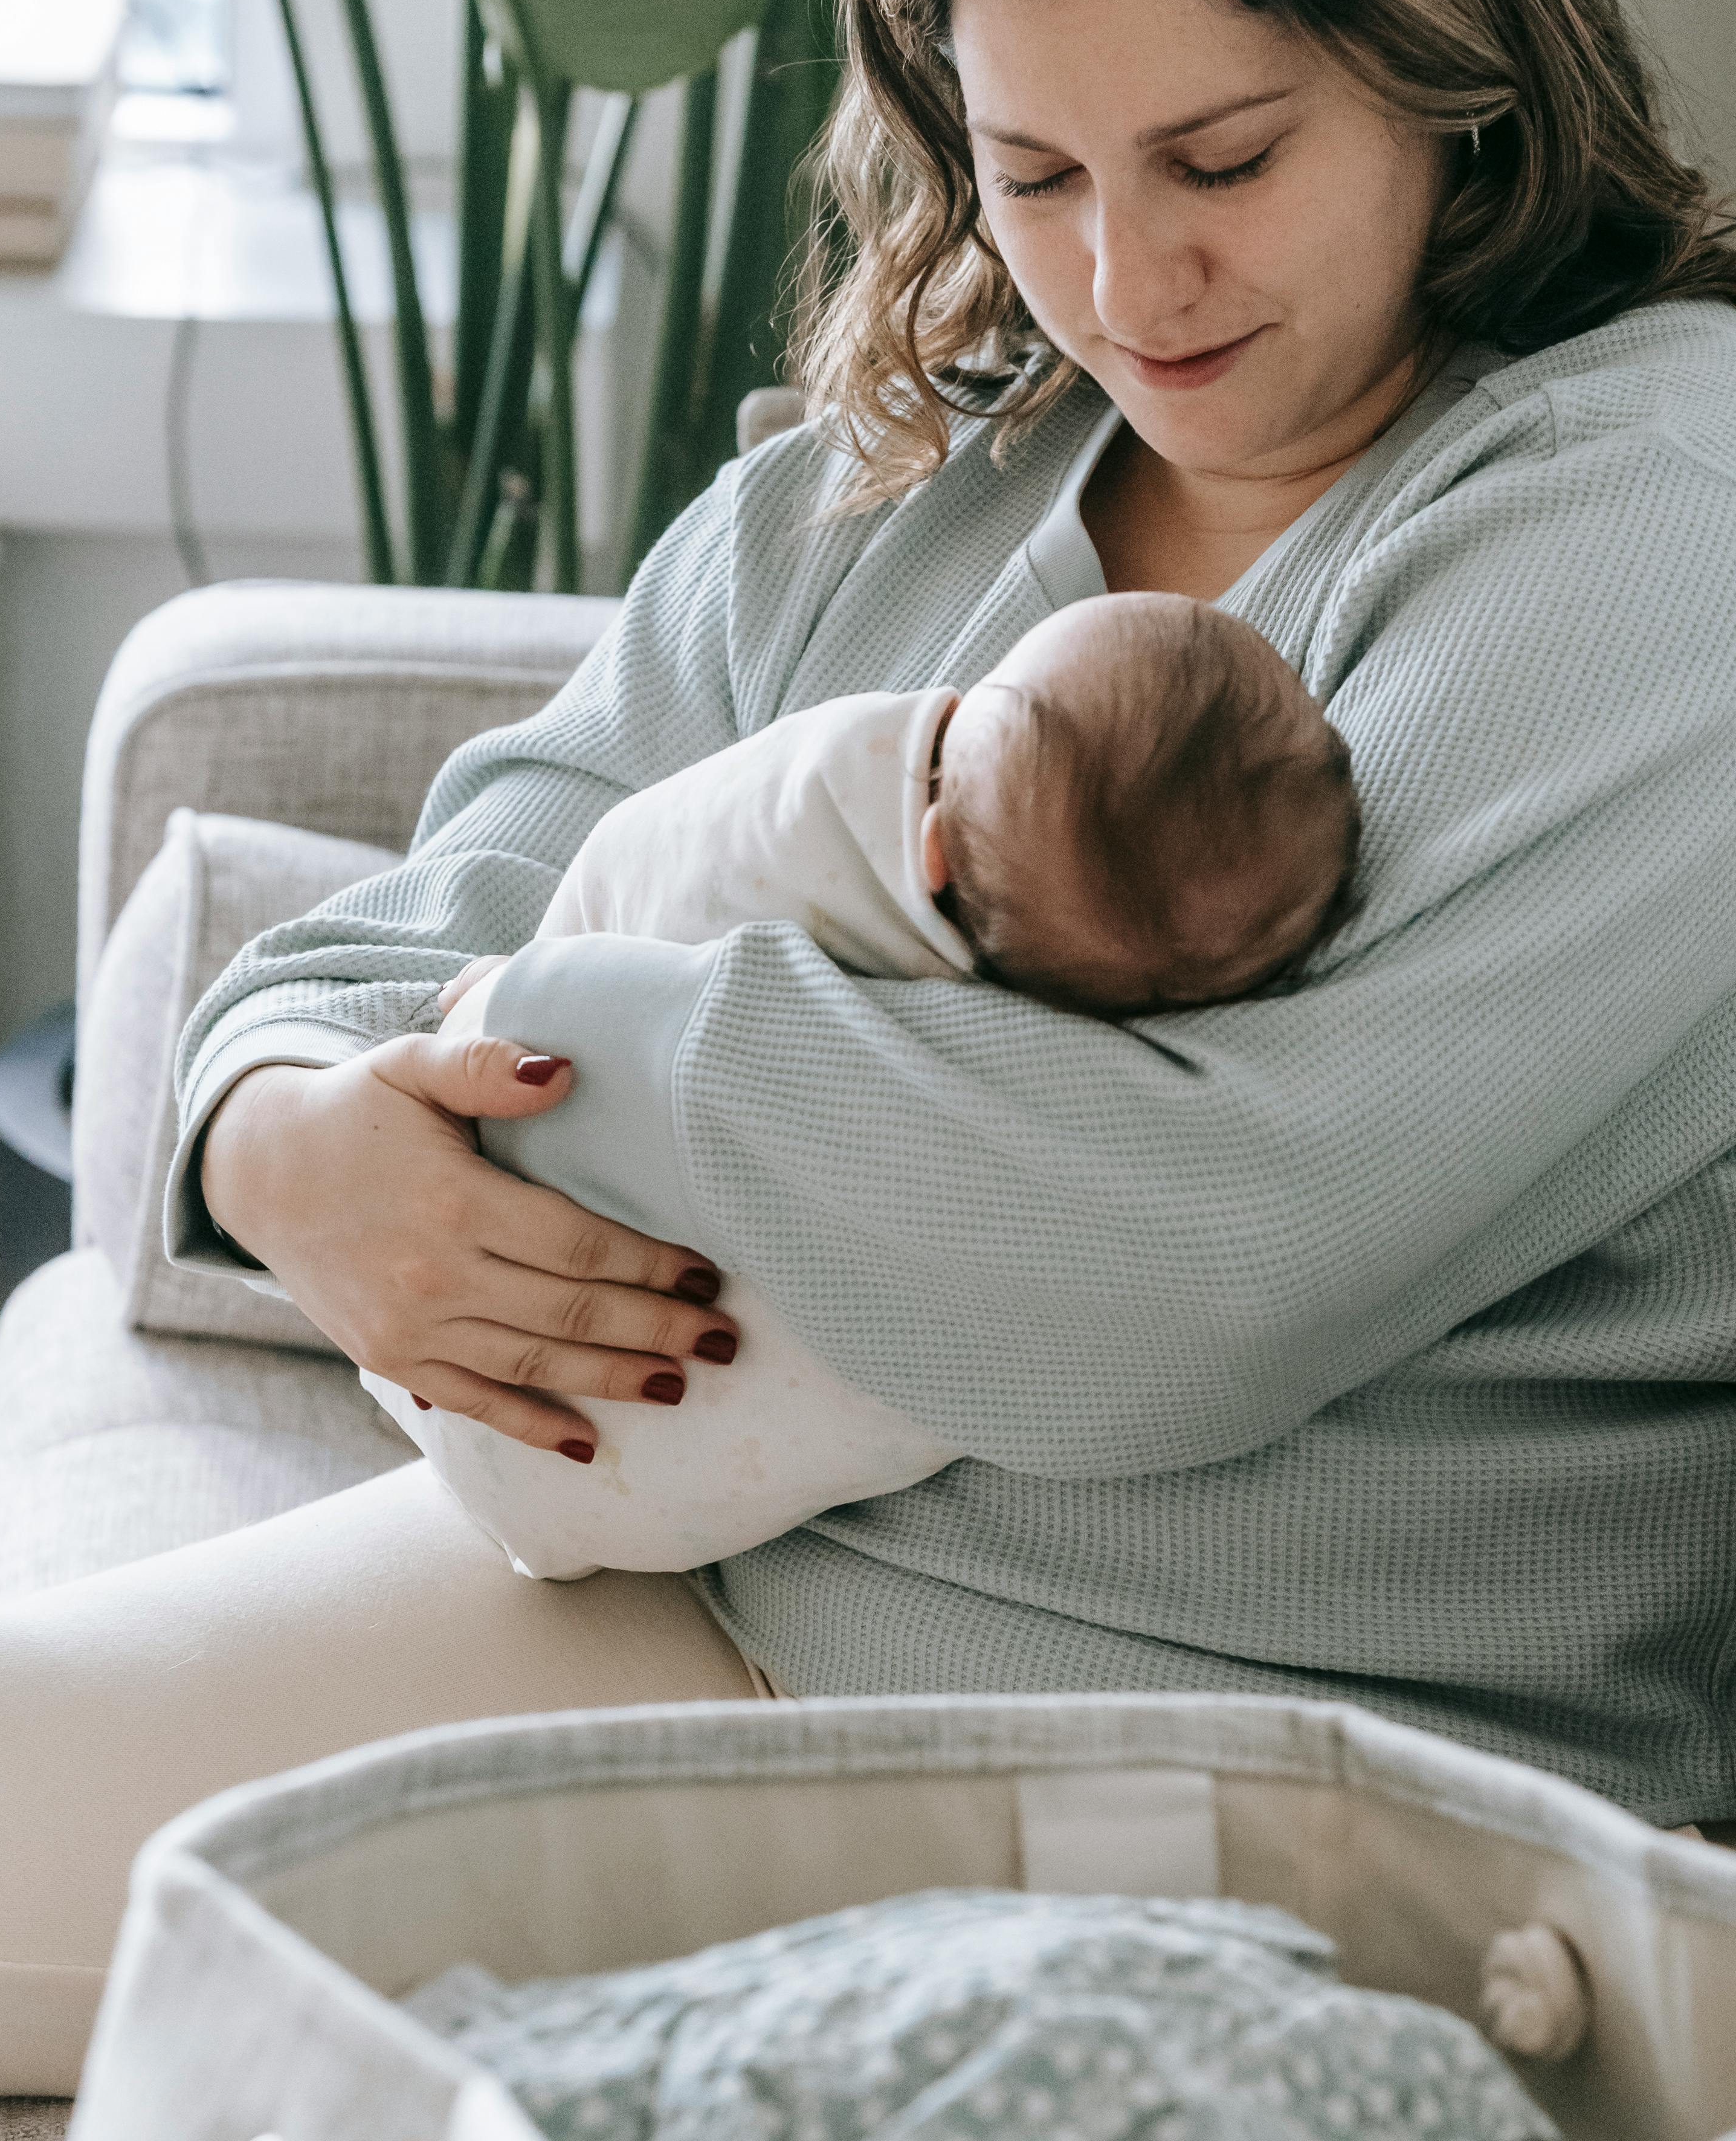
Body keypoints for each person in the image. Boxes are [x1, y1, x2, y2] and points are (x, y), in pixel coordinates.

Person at [0, 0, 1736, 2123]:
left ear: (1444, 66)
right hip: (733, 1580)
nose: (1122, 277)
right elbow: (459, 882)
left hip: (1266, 1775)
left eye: (1222, 159)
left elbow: (1176, 1274)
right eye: (1029, 166)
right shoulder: (929, 472)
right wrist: (287, 1143)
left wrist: (546, 1050)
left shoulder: (1683, 537)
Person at [376, 592, 1356, 1581]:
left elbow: (641, 865)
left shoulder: (820, 818)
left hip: (536, 1408)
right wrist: (266, 1116)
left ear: (930, 846)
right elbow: (447, 880)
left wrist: (521, 993)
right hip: (616, 1482)